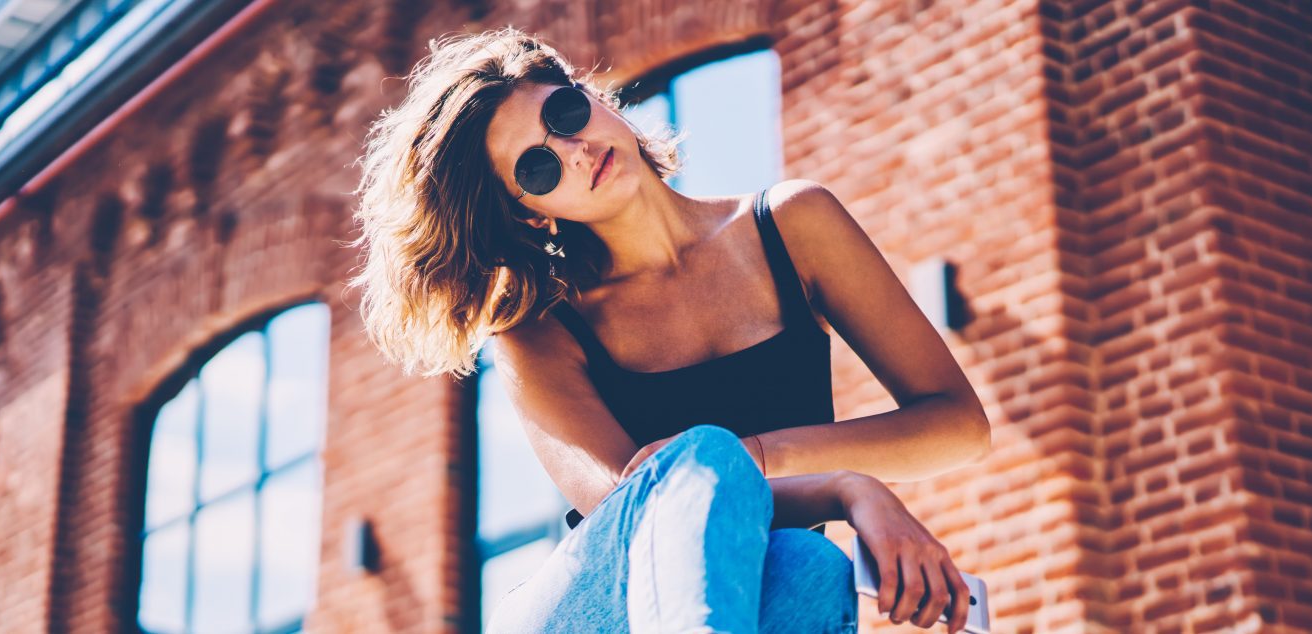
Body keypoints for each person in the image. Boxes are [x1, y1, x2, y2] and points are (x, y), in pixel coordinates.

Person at [346, 26, 992, 633]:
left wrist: (762, 454)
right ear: (529, 212)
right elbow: (637, 506)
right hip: (605, 602)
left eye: (564, 115)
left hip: (759, 595)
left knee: (809, 564)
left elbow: (957, 427)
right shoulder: (537, 332)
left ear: (593, 96)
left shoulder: (793, 225)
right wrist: (848, 486)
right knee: (701, 454)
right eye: (538, 168)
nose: (575, 152)